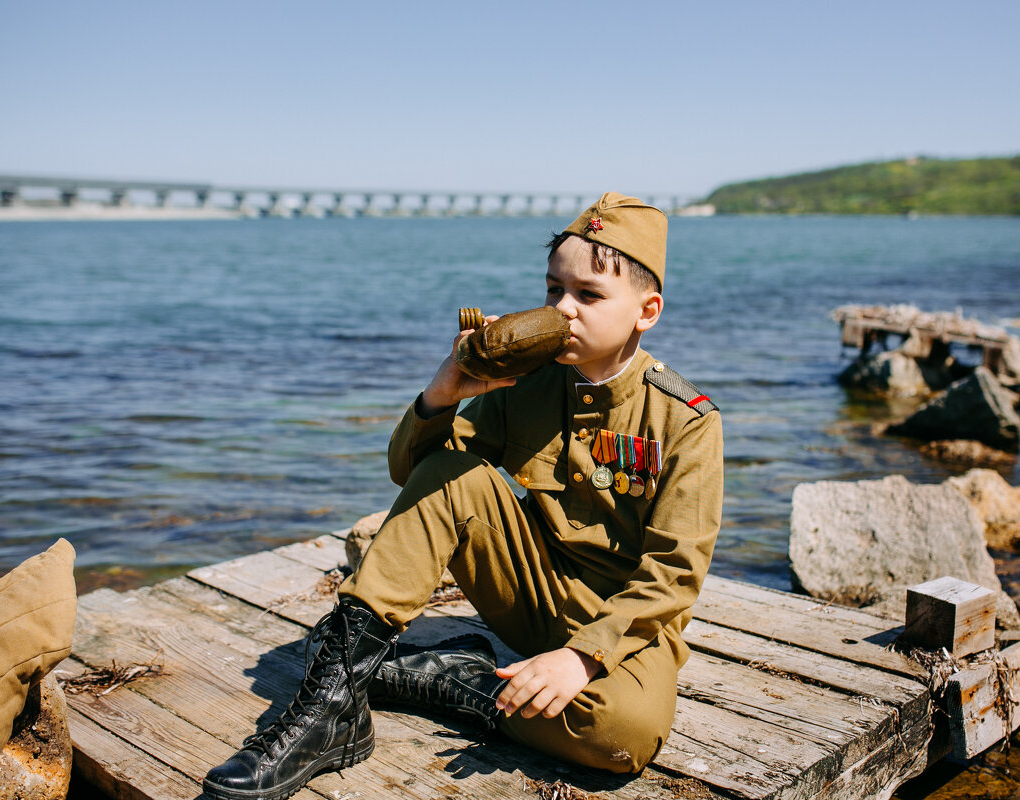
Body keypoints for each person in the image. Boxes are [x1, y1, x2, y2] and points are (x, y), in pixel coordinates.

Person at [203, 193, 723, 800]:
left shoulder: (685, 420)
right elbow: (414, 474)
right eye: (553, 289)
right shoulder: (525, 383)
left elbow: (674, 574)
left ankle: (459, 682)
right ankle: (332, 706)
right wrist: (443, 393)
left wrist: (580, 658)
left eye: (588, 295)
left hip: (625, 623)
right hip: (531, 589)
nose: (562, 309)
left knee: (622, 736)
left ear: (646, 311)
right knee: (453, 470)